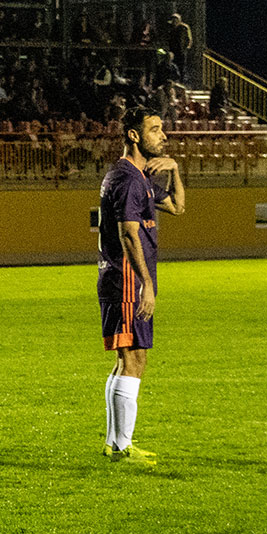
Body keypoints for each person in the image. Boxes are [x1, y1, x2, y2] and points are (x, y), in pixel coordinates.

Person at [99, 109, 186, 464]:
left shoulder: (139, 177)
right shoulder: (130, 179)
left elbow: (178, 207)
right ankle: (122, 446)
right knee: (133, 359)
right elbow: (128, 234)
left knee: (129, 359)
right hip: (127, 279)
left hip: (125, 278)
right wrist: (146, 285)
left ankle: (114, 443)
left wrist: (175, 169)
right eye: (155, 129)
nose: (163, 135)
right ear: (134, 136)